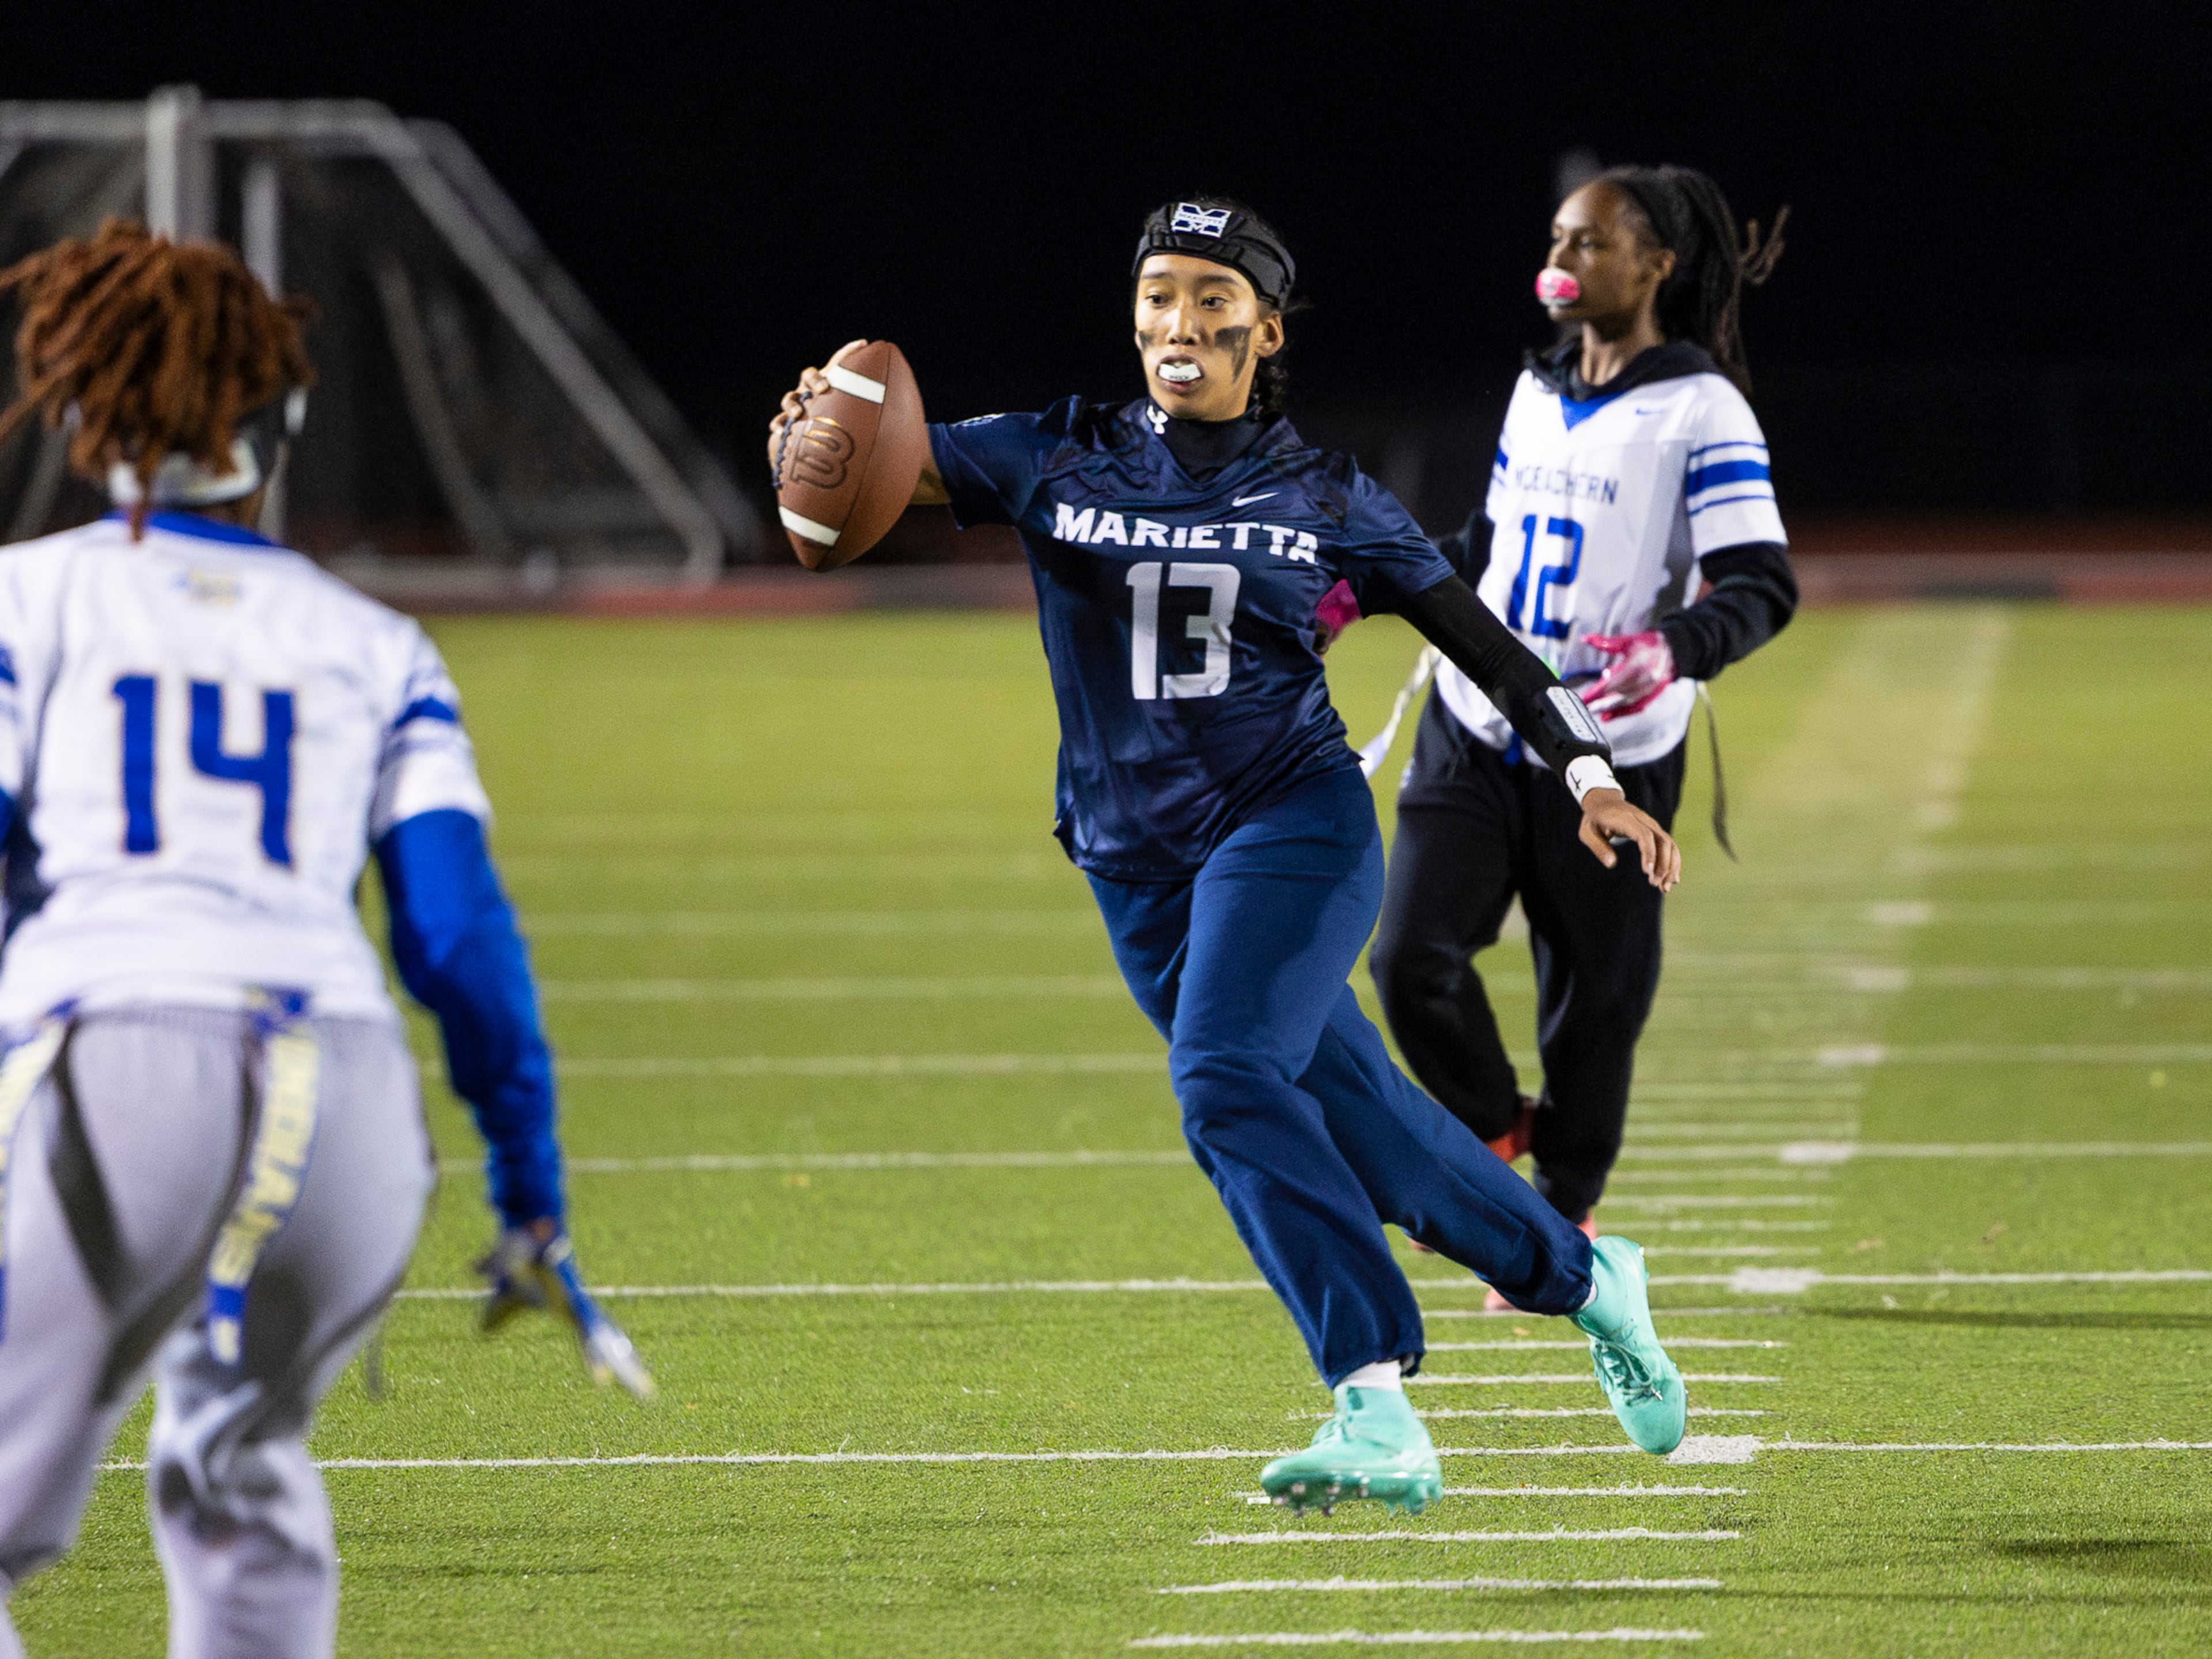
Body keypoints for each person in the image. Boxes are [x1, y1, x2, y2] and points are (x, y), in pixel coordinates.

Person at [768, 198, 1692, 1513]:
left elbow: (1486, 646)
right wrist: (819, 442)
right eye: (1156, 296)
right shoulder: (1059, 453)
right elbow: (880, 475)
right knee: (1378, 1139)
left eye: (1211, 298)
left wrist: (1592, 777)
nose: (1177, 322)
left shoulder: (1328, 497)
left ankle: (1371, 1397)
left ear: (1265, 325)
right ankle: (1595, 1283)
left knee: (1221, 1079)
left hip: (1291, 826)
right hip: (1135, 868)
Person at [0, 220, 649, 1659]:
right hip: (345, 1109)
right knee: (246, 1505)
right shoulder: (377, 642)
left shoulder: (24, 598)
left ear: (85, 409)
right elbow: (458, 934)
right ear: (279, 422)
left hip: (113, 1063)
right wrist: (530, 1185)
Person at [1369, 166, 1796, 1302]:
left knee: (1595, 1006)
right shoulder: (1536, 385)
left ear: (1655, 265)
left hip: (1610, 750)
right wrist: (1355, 591)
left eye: (1591, 242)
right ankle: (1490, 1129)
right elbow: (1487, 547)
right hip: (1477, 720)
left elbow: (1762, 583)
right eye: (1557, 235)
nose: (1562, 258)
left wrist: (1678, 646)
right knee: (1408, 956)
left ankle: (1560, 1208)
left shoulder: (1702, 408)